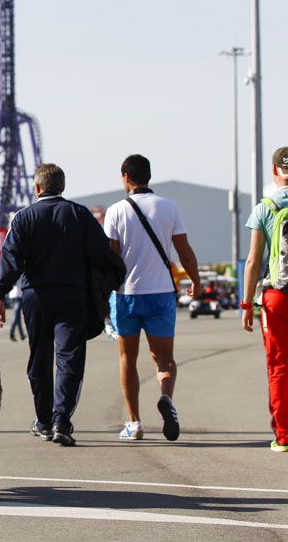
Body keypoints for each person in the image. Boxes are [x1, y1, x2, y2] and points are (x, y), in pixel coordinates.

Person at [0, 163, 111, 447]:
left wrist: (0, 294)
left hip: (36, 297)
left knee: (39, 358)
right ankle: (62, 421)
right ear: (62, 187)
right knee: (69, 359)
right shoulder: (80, 215)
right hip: (73, 296)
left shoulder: (23, 218)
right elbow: (102, 254)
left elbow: (10, 258)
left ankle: (43, 420)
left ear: (37, 188)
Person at [104, 154, 200, 442]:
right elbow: (183, 249)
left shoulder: (116, 211)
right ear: (149, 176)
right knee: (165, 360)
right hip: (161, 294)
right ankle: (166, 397)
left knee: (127, 358)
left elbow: (111, 256)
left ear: (125, 176)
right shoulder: (169, 207)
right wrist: (195, 280)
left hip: (127, 295)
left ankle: (134, 423)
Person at [241, 146, 288, 452]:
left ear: (275, 171)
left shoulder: (264, 207)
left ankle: (285, 436)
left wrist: (247, 304)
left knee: (279, 367)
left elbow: (252, 261)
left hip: (277, 296)